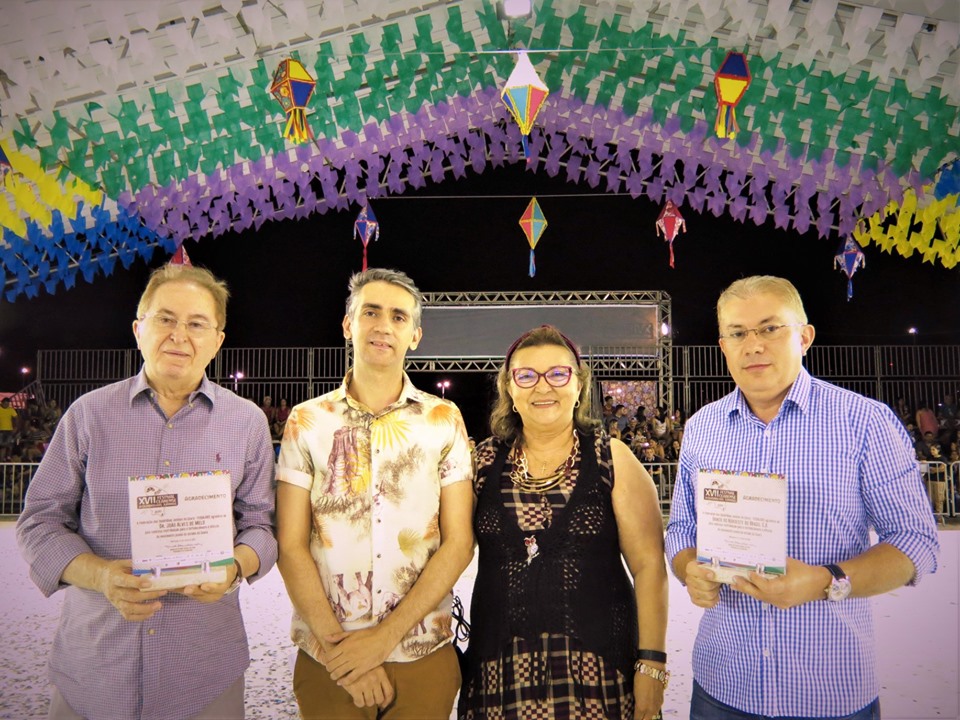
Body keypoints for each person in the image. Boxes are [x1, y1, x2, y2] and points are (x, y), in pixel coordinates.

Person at [665, 275, 940, 720]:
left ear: (805, 337)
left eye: (770, 328)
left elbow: (916, 542)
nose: (753, 345)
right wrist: (688, 568)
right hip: (723, 685)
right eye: (738, 333)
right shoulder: (702, 428)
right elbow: (682, 528)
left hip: (830, 690)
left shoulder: (864, 423)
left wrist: (823, 582)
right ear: (723, 346)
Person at [16, 264, 277, 720]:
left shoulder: (247, 422)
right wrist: (100, 576)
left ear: (217, 341)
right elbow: (40, 521)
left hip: (204, 673)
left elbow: (262, 526)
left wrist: (235, 566)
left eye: (197, 324)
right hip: (94, 669)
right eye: (165, 318)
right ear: (139, 330)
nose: (179, 335)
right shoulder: (88, 415)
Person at [276, 268, 474, 719]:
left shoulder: (444, 419)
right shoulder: (306, 421)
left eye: (398, 317)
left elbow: (459, 542)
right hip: (329, 657)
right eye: (371, 312)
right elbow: (290, 544)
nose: (384, 325)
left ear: (415, 336)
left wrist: (384, 640)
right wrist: (342, 655)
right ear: (348, 325)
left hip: (422, 650)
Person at [460, 325, 668, 720]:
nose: (543, 386)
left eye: (558, 373)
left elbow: (649, 565)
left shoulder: (613, 459)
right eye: (526, 375)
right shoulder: (481, 463)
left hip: (597, 676)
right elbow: (448, 548)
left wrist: (652, 661)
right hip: (499, 675)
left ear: (579, 385)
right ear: (509, 388)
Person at [0, 396, 17, 461]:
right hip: (1, 430)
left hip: (9, 430)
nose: (6, 405)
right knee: (2, 446)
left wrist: (15, 427)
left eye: (7, 404)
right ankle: (2, 460)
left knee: (8, 445)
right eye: (5, 404)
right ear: (2, 402)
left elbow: (16, 418)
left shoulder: (11, 409)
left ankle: (6, 458)